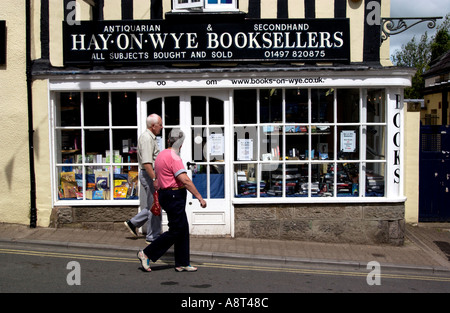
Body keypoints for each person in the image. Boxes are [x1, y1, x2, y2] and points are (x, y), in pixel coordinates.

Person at [137, 129, 206, 272]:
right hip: (174, 196)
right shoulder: (174, 157)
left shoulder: (162, 155)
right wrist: (199, 197)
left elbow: (158, 177)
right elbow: (185, 180)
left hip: (166, 195)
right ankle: (147, 253)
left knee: (183, 229)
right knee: (176, 230)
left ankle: (182, 262)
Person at [124, 114, 162, 243]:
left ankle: (133, 223)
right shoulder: (146, 138)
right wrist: (154, 179)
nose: (162, 127)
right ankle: (152, 237)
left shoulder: (150, 137)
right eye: (160, 124)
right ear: (153, 126)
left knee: (154, 204)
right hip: (149, 174)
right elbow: (147, 163)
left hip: (150, 174)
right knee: (155, 206)